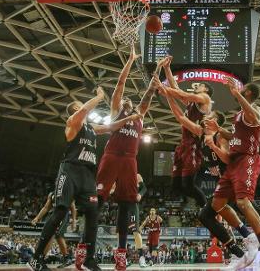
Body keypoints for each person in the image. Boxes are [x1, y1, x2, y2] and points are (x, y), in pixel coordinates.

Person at [28, 87, 142, 271]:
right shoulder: (73, 122)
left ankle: (89, 258)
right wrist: (98, 97)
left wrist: (129, 118)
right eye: (80, 106)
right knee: (60, 210)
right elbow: (83, 111)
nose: (84, 107)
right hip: (70, 171)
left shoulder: (91, 128)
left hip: (87, 175)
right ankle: (36, 257)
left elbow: (111, 127)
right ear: (75, 110)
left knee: (93, 213)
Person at [156, 79, 254, 269]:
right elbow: (180, 114)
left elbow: (228, 158)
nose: (206, 117)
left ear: (215, 122)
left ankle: (255, 243)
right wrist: (168, 91)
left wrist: (215, 147)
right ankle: (240, 249)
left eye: (210, 116)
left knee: (233, 211)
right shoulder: (203, 132)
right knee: (205, 211)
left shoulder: (214, 136)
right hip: (222, 183)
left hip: (232, 181)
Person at [95, 47, 165, 271]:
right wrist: (130, 60)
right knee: (97, 200)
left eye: (129, 99)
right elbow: (119, 86)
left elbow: (149, 94)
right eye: (124, 98)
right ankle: (84, 249)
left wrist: (158, 71)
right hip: (112, 156)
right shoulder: (117, 111)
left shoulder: (140, 116)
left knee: (127, 205)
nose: (126, 99)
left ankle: (122, 255)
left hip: (130, 161)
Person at [204, 78, 260, 271]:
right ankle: (249, 237)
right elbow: (236, 138)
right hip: (234, 160)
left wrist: (236, 94)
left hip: (248, 159)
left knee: (243, 203)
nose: (238, 88)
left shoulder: (255, 111)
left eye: (242, 89)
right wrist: (219, 130)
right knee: (217, 204)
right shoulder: (239, 116)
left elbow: (255, 118)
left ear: (247, 94)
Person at [161, 57, 212, 207]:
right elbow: (176, 89)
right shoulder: (193, 103)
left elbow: (181, 95)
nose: (197, 86)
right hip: (183, 143)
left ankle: (207, 208)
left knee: (188, 185)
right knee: (176, 186)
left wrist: (164, 89)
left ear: (206, 90)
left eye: (200, 85)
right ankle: (203, 204)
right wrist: (167, 69)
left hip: (194, 144)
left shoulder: (205, 98)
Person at [110, 173, 148, 268]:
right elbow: (112, 190)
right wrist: (111, 191)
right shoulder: (118, 176)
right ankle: (123, 259)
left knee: (136, 231)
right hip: (122, 205)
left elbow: (144, 188)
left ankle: (141, 258)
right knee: (119, 232)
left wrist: (140, 194)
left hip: (132, 206)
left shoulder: (136, 175)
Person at [31, 192, 76, 268]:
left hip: (64, 215)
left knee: (58, 234)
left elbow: (73, 207)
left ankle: (67, 257)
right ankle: (42, 258)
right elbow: (46, 207)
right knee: (49, 235)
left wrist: (74, 220)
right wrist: (37, 218)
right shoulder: (52, 194)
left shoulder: (66, 192)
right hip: (55, 215)